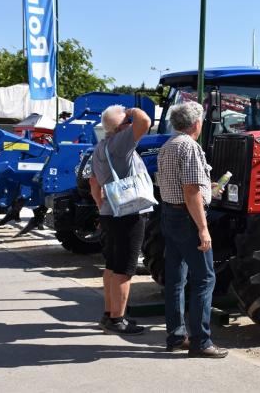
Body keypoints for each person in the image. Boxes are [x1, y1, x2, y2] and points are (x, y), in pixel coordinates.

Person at [157, 101, 228, 358]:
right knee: (205, 279)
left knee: (176, 279)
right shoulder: (190, 147)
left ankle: (176, 336)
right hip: (187, 218)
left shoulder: (167, 146)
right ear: (196, 124)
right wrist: (203, 228)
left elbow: (181, 185)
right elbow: (190, 192)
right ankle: (201, 342)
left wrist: (206, 188)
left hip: (169, 214)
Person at [89, 104, 152, 335]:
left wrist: (101, 206)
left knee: (111, 265)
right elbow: (145, 121)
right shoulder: (122, 141)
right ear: (122, 127)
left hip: (109, 213)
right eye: (127, 121)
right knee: (125, 268)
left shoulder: (100, 147)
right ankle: (118, 318)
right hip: (128, 213)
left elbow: (93, 183)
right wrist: (133, 110)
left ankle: (109, 314)